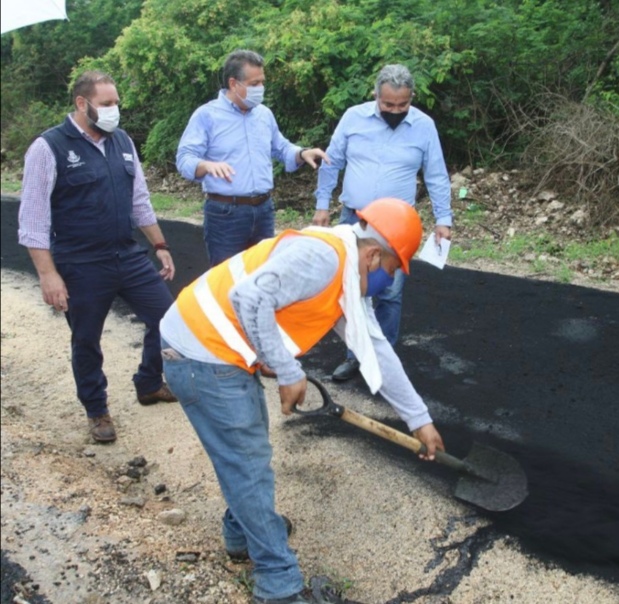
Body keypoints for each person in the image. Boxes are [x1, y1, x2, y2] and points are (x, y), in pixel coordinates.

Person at [159, 197, 445, 604]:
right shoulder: (322, 259)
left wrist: (419, 418)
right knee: (248, 464)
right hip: (200, 353)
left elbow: (377, 349)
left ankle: (242, 532)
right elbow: (248, 298)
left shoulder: (347, 272)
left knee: (248, 457)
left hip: (219, 352)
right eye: (394, 272)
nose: (391, 282)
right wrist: (289, 371)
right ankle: (278, 586)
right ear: (375, 255)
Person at [17, 70, 178, 444]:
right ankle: (97, 409)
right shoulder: (48, 147)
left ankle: (149, 383)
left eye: (116, 103)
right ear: (81, 103)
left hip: (128, 255)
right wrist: (48, 275)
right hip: (81, 263)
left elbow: (140, 201)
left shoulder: (122, 141)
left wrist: (160, 245)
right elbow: (33, 220)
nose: (114, 111)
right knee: (87, 339)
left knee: (168, 321)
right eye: (106, 104)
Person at [312, 64, 453, 382]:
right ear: (376, 95)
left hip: (396, 228)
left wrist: (444, 219)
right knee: (353, 289)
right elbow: (331, 164)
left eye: (402, 105)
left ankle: (383, 359)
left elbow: (436, 174)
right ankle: (354, 356)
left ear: (411, 97)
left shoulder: (423, 126)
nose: (395, 110)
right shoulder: (353, 118)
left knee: (389, 293)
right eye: (388, 104)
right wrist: (322, 205)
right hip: (355, 220)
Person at [176, 49, 329, 267]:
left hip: (263, 210)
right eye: (254, 83)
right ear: (233, 84)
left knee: (263, 279)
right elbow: (184, 159)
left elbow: (281, 147)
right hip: (226, 214)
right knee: (226, 281)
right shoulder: (207, 115)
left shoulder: (264, 114)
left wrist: (302, 153)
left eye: (262, 82)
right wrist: (206, 165)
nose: (260, 89)